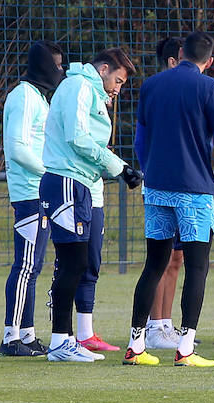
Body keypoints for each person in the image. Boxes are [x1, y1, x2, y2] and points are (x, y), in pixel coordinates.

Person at [122, 31, 214, 367]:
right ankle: (185, 348)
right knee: (197, 267)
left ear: (181, 53)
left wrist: (150, 171)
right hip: (195, 193)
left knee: (154, 264)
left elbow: (140, 141)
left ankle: (136, 345)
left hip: (156, 189)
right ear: (209, 61)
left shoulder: (151, 85)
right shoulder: (212, 88)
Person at [39, 48, 140, 363]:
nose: (117, 89)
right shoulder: (80, 87)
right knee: (72, 263)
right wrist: (119, 167)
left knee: (78, 262)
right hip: (67, 182)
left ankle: (67, 339)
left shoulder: (91, 90)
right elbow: (78, 139)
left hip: (80, 183)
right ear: (104, 69)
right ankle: (59, 342)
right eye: (118, 81)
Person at [0, 40, 64, 356]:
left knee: (33, 266)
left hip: (39, 193)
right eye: (58, 65)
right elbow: (17, 147)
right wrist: (49, 173)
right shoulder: (24, 97)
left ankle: (26, 335)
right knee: (25, 266)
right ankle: (10, 337)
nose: (61, 71)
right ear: (45, 66)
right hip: (29, 194)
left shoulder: (37, 97)